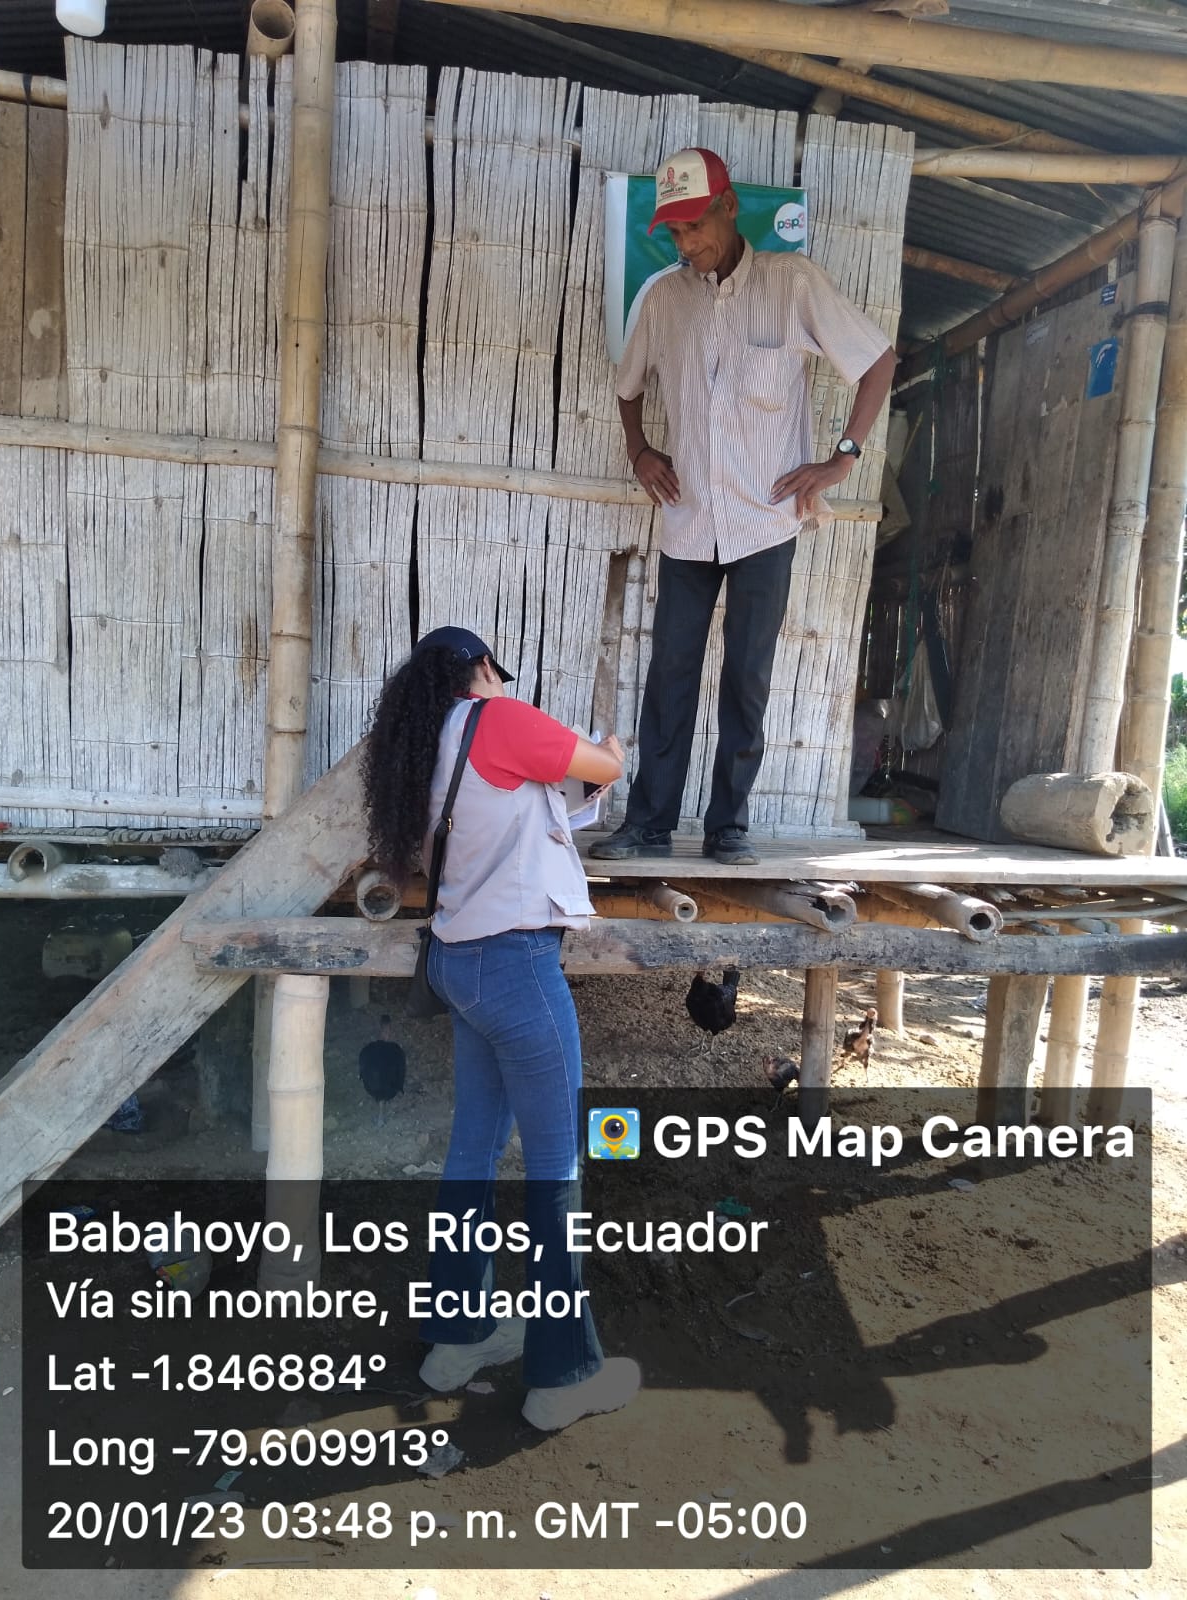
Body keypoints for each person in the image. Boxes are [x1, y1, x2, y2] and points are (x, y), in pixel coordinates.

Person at [361, 624, 639, 1431]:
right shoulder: (503, 719)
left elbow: (532, 807)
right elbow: (601, 770)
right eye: (496, 672)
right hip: (515, 964)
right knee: (557, 1169)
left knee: (473, 1152)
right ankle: (563, 1376)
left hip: (460, 959)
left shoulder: (422, 748)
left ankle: (458, 1340)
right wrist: (611, 750)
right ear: (483, 669)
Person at [590, 146, 897, 867]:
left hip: (766, 518)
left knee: (747, 676)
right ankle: (649, 823)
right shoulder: (663, 298)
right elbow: (629, 385)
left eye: (695, 225)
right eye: (674, 231)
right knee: (670, 671)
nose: (686, 242)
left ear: (729, 208)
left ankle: (729, 825)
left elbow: (878, 362)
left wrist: (841, 458)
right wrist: (640, 451)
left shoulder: (793, 284)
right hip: (690, 518)